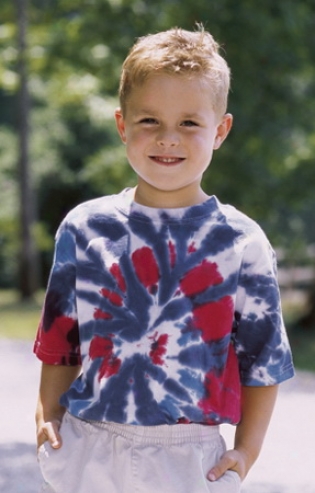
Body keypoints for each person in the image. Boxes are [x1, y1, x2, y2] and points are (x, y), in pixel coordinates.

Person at [34, 25, 294, 493]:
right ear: (122, 126)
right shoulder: (84, 227)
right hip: (88, 447)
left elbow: (264, 363)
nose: (167, 138)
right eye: (149, 120)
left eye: (189, 123)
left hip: (190, 458)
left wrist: (246, 452)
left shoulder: (242, 242)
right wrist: (47, 415)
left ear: (221, 130)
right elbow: (60, 344)